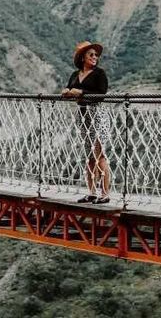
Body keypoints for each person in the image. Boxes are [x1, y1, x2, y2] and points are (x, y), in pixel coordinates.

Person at [61, 40, 112, 203]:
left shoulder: (99, 73)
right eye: (91, 54)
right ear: (83, 57)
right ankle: (92, 192)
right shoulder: (75, 75)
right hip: (83, 115)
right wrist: (67, 92)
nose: (95, 57)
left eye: (96, 55)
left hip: (97, 114)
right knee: (89, 156)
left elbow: (102, 94)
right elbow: (70, 88)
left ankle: (105, 194)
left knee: (100, 154)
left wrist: (81, 92)